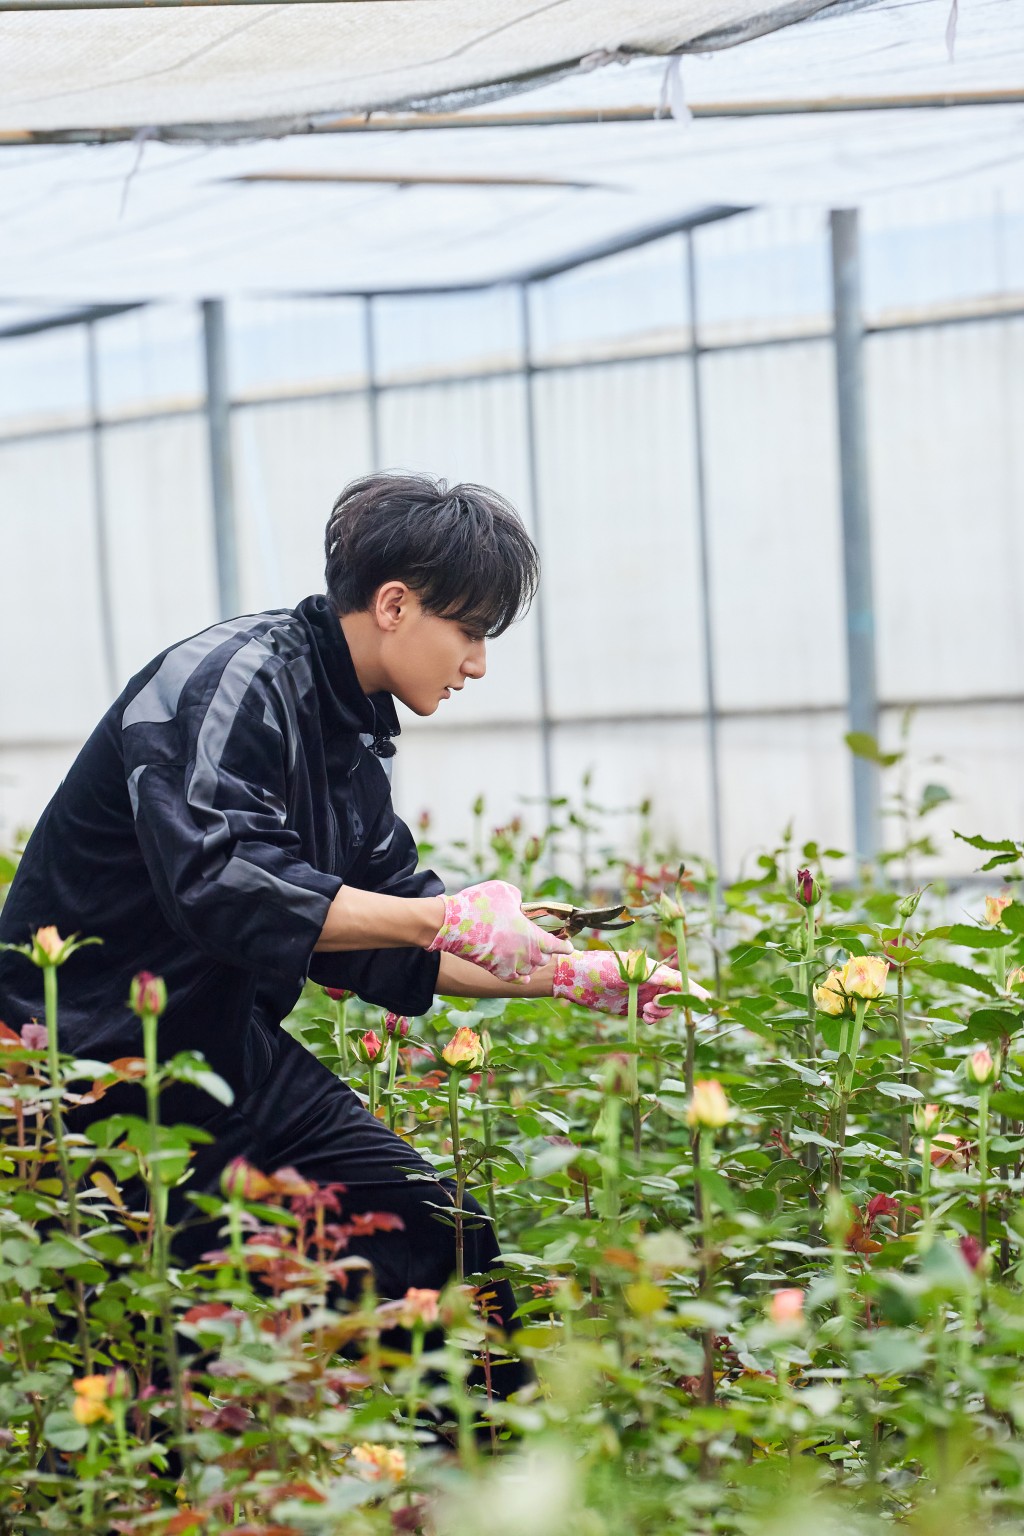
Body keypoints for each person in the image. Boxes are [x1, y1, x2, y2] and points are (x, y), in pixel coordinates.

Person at [0, 472, 687, 1399]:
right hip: (79, 1067)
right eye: (472, 632)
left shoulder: (351, 734)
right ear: (395, 605)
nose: (478, 664)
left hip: (218, 1050)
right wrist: (445, 916)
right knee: (148, 1364)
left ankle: (478, 1492)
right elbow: (224, 880)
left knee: (438, 1238)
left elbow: (387, 921)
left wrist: (571, 973)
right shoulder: (229, 681)